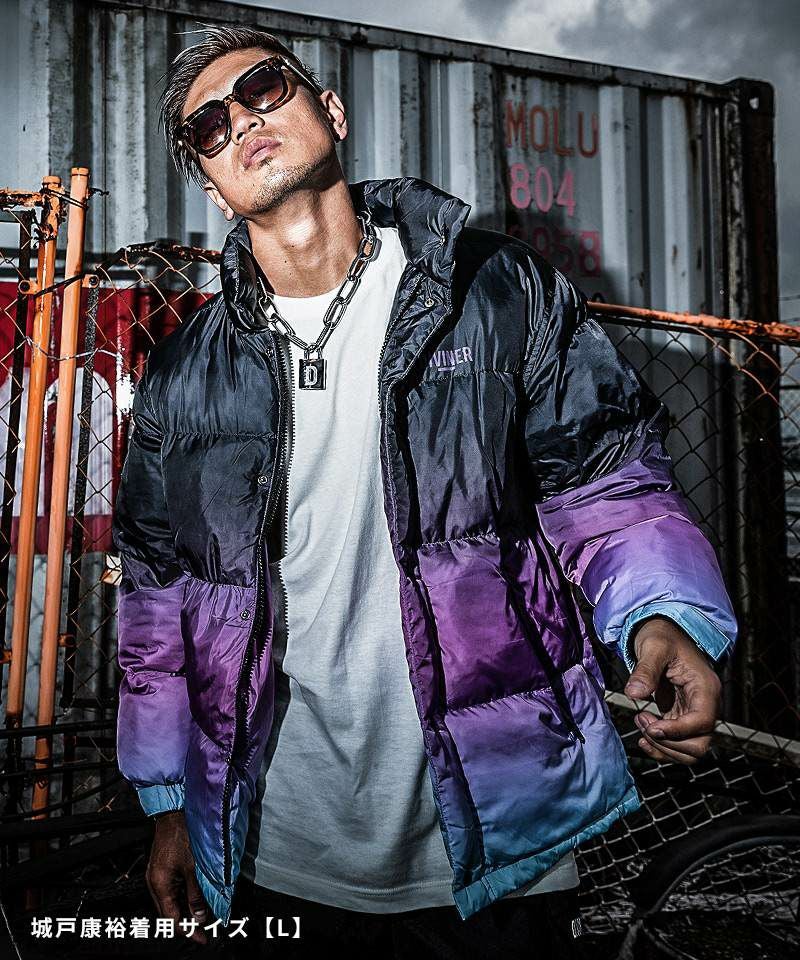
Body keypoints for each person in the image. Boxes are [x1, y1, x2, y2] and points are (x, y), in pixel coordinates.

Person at [112, 23, 738, 959]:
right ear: (210, 183)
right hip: (274, 845)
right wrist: (170, 803)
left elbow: (603, 476)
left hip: (499, 835)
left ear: (331, 111)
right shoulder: (185, 373)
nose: (239, 120)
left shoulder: (496, 290)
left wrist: (659, 620)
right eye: (208, 127)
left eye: (263, 88)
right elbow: (159, 598)